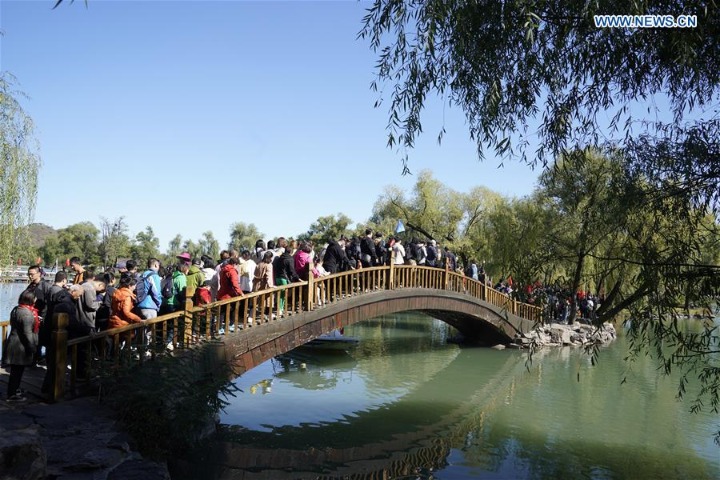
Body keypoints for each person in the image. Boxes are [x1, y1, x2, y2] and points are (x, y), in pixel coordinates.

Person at [5, 290, 39, 402]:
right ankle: (12, 394)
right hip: (20, 346)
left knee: (16, 370)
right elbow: (27, 333)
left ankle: (14, 390)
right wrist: (32, 347)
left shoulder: (16, 309)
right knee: (17, 371)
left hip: (13, 342)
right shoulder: (27, 314)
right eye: (34, 298)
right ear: (30, 300)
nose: (36, 300)